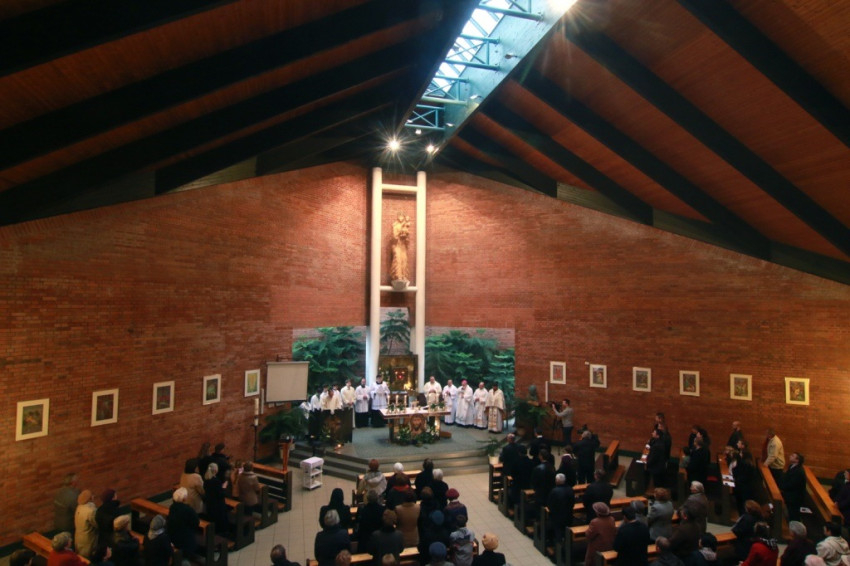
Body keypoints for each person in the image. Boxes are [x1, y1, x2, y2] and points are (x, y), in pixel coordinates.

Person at [167, 487, 199, 559]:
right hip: (185, 540)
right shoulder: (188, 510)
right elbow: (196, 522)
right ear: (184, 499)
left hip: (173, 537)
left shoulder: (172, 507)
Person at [546, 473, 575, 543]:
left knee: (558, 531)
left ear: (557, 481)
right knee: (567, 530)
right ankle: (568, 543)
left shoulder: (554, 491)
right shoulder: (570, 489)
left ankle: (559, 545)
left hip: (557, 517)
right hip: (568, 515)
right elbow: (573, 502)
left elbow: (549, 504)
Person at [203, 462, 229, 535]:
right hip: (217, 504)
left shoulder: (206, 480)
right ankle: (221, 532)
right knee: (220, 519)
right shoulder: (216, 481)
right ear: (215, 470)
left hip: (210, 502)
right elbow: (220, 494)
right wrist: (224, 487)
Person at [782, 452, 807, 522]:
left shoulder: (799, 471)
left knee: (794, 514)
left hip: (795, 497)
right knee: (790, 511)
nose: (790, 456)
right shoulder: (791, 466)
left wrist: (782, 487)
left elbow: (793, 484)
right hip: (790, 494)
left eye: (793, 456)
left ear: (797, 460)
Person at [74, 489, 98, 559]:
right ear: (90, 498)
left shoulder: (79, 507)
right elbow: (96, 524)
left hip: (78, 536)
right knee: (88, 558)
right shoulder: (91, 511)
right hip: (88, 538)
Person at [390, 212, 410, 283]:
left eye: (402, 216)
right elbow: (394, 237)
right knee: (397, 259)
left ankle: (404, 276)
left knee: (404, 260)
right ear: (398, 217)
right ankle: (397, 276)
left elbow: (407, 239)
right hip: (397, 245)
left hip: (403, 246)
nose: (401, 217)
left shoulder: (405, 226)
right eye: (400, 216)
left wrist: (406, 237)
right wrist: (400, 233)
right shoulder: (395, 225)